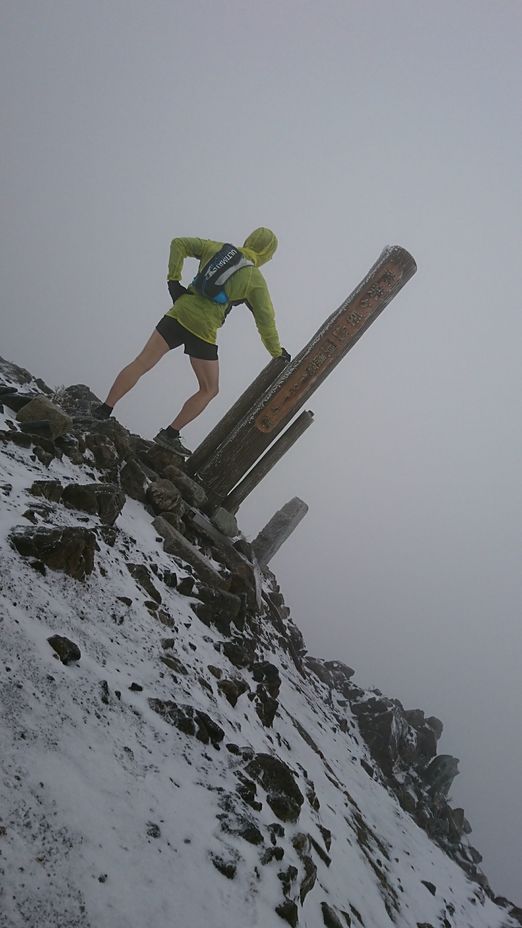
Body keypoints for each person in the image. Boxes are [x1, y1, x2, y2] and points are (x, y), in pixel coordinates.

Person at [94, 227, 289, 456]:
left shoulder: (218, 249)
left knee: (142, 362)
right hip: (203, 331)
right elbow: (266, 320)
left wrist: (173, 282)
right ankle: (170, 434)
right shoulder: (255, 279)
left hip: (179, 312)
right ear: (266, 253)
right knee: (209, 388)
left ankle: (103, 410)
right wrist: (277, 352)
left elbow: (178, 243)